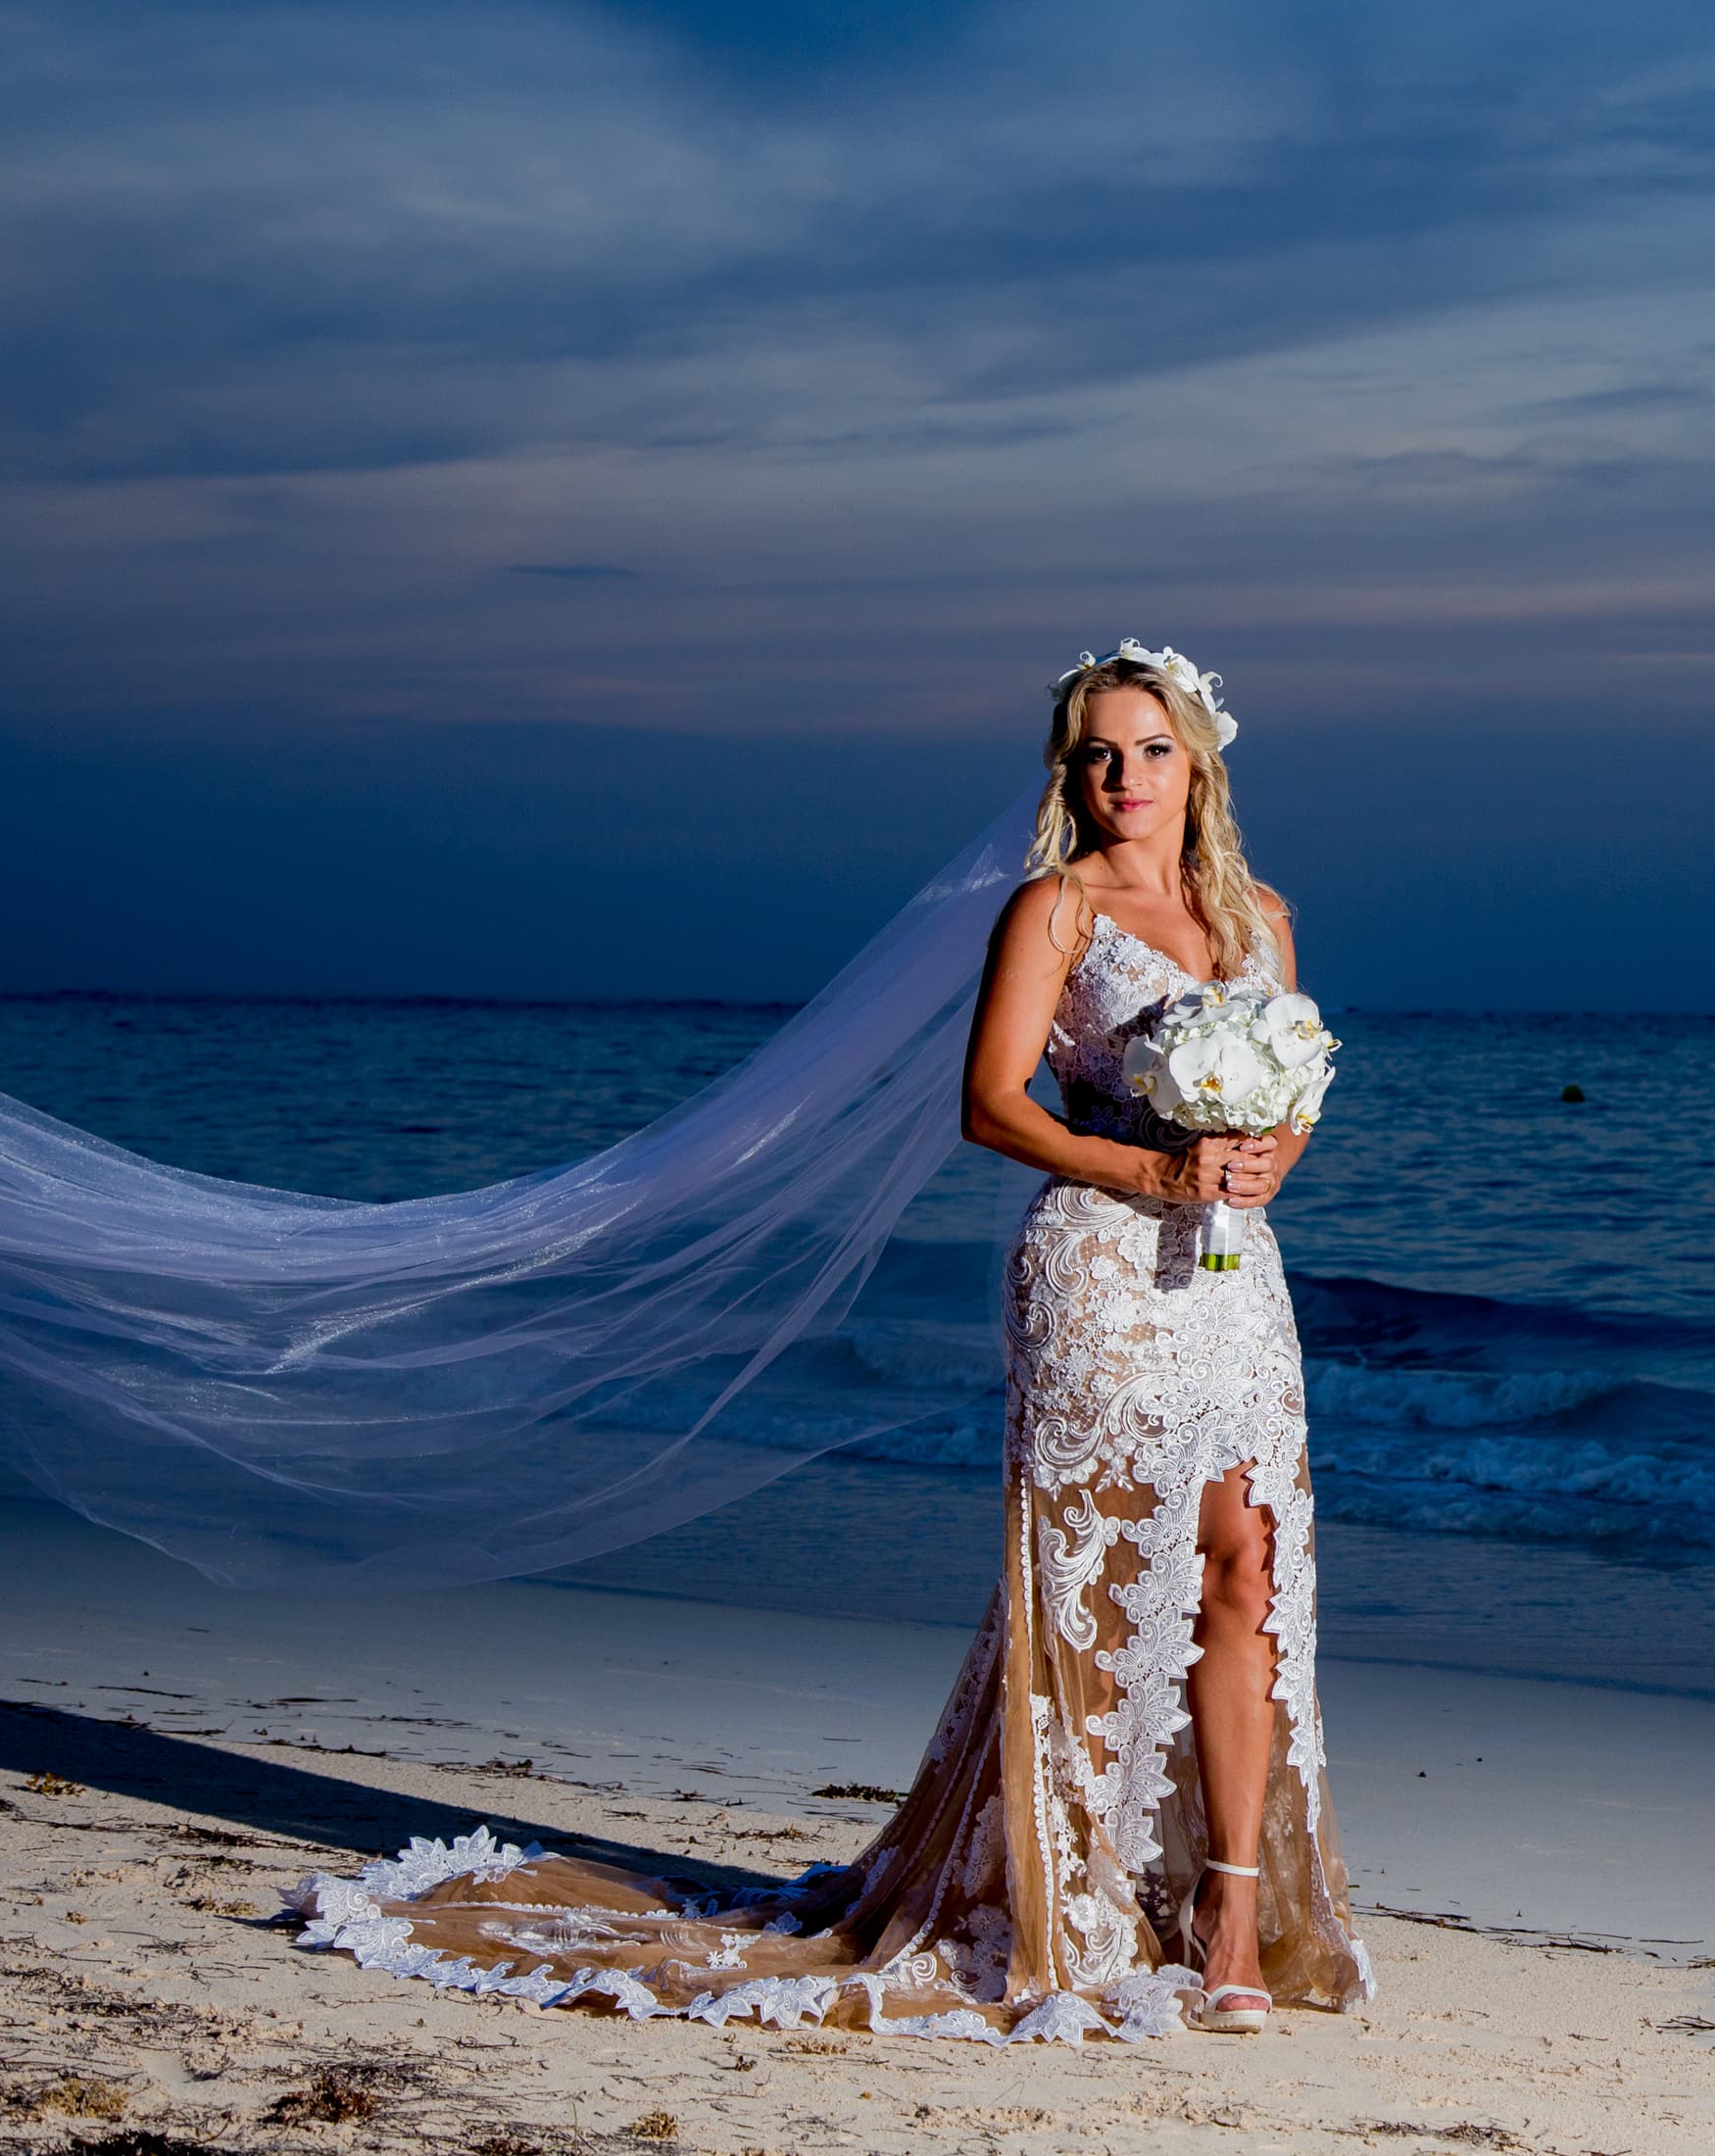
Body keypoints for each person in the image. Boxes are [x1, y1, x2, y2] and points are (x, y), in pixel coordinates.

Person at [269, 646, 1376, 2042]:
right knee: (1098, 1588)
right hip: (1099, 1271)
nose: (1124, 779)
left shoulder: (1264, 915)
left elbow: (1293, 1083)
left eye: (1151, 750)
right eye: (1097, 753)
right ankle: (1072, 1905)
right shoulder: (1054, 912)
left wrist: (1270, 1154)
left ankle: (1224, 1908)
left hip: (1233, 1284)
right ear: (1067, 772)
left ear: (1198, 762)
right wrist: (1150, 1173)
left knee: (1244, 1573)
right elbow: (992, 1105)